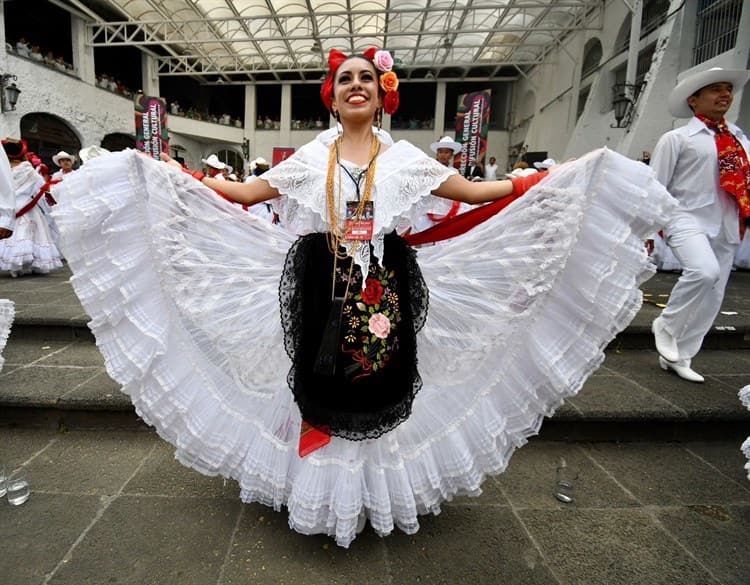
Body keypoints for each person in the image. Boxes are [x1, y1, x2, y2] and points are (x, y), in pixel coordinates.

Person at [50, 47, 674, 548]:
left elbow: (477, 193)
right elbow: (243, 198)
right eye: (345, 78)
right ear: (333, 94)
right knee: (319, 379)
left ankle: (369, 493)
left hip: (383, 283)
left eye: (366, 80)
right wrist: (163, 174)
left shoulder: (404, 159)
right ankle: (320, 490)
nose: (355, 86)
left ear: (381, 96)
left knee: (377, 382)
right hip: (319, 279)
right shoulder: (308, 158)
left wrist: (546, 178)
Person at [650, 67, 750, 383]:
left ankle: (682, 354)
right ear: (693, 100)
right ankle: (665, 324)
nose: (724, 95)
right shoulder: (676, 139)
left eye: (727, 89)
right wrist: (648, 230)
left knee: (713, 295)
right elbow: (654, 186)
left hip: (727, 222)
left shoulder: (740, 139)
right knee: (703, 271)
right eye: (715, 89)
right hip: (684, 216)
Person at [0, 139, 63, 277]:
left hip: (9, 210)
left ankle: (14, 266)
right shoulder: (28, 170)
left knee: (15, 235)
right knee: (31, 234)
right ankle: (32, 264)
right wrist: (49, 209)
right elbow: (40, 188)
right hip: (28, 210)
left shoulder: (3, 170)